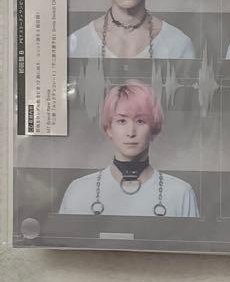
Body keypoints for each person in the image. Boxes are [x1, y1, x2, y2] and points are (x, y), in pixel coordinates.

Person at [58, 81, 198, 217]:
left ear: (153, 128)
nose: (131, 132)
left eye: (140, 121)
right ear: (109, 128)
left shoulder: (180, 193)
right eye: (121, 121)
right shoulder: (79, 190)